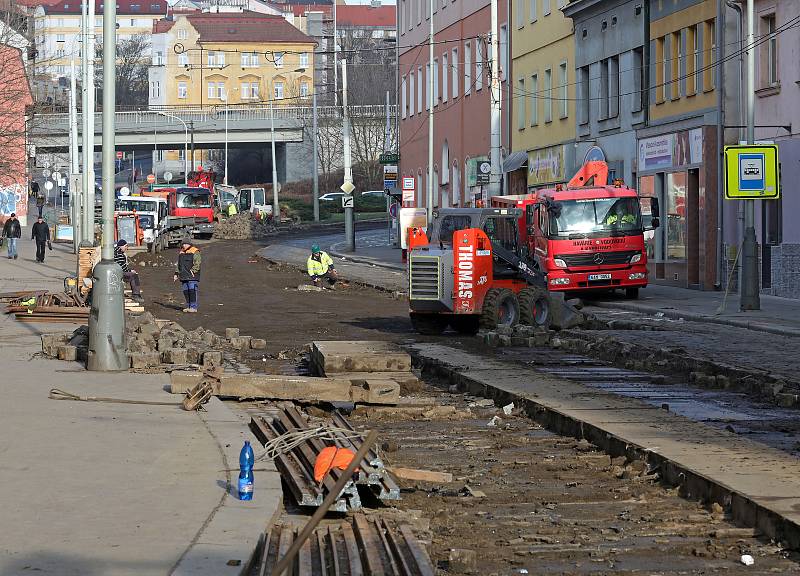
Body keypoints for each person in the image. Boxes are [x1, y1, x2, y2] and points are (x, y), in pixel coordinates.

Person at [174, 239, 201, 313]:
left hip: (192, 276)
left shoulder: (195, 251)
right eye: (183, 244)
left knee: (192, 291)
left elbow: (197, 263)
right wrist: (176, 273)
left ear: (189, 244)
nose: (184, 245)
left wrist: (193, 271)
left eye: (186, 244)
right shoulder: (181, 252)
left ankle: (193, 307)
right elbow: (179, 264)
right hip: (183, 276)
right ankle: (189, 306)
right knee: (186, 292)